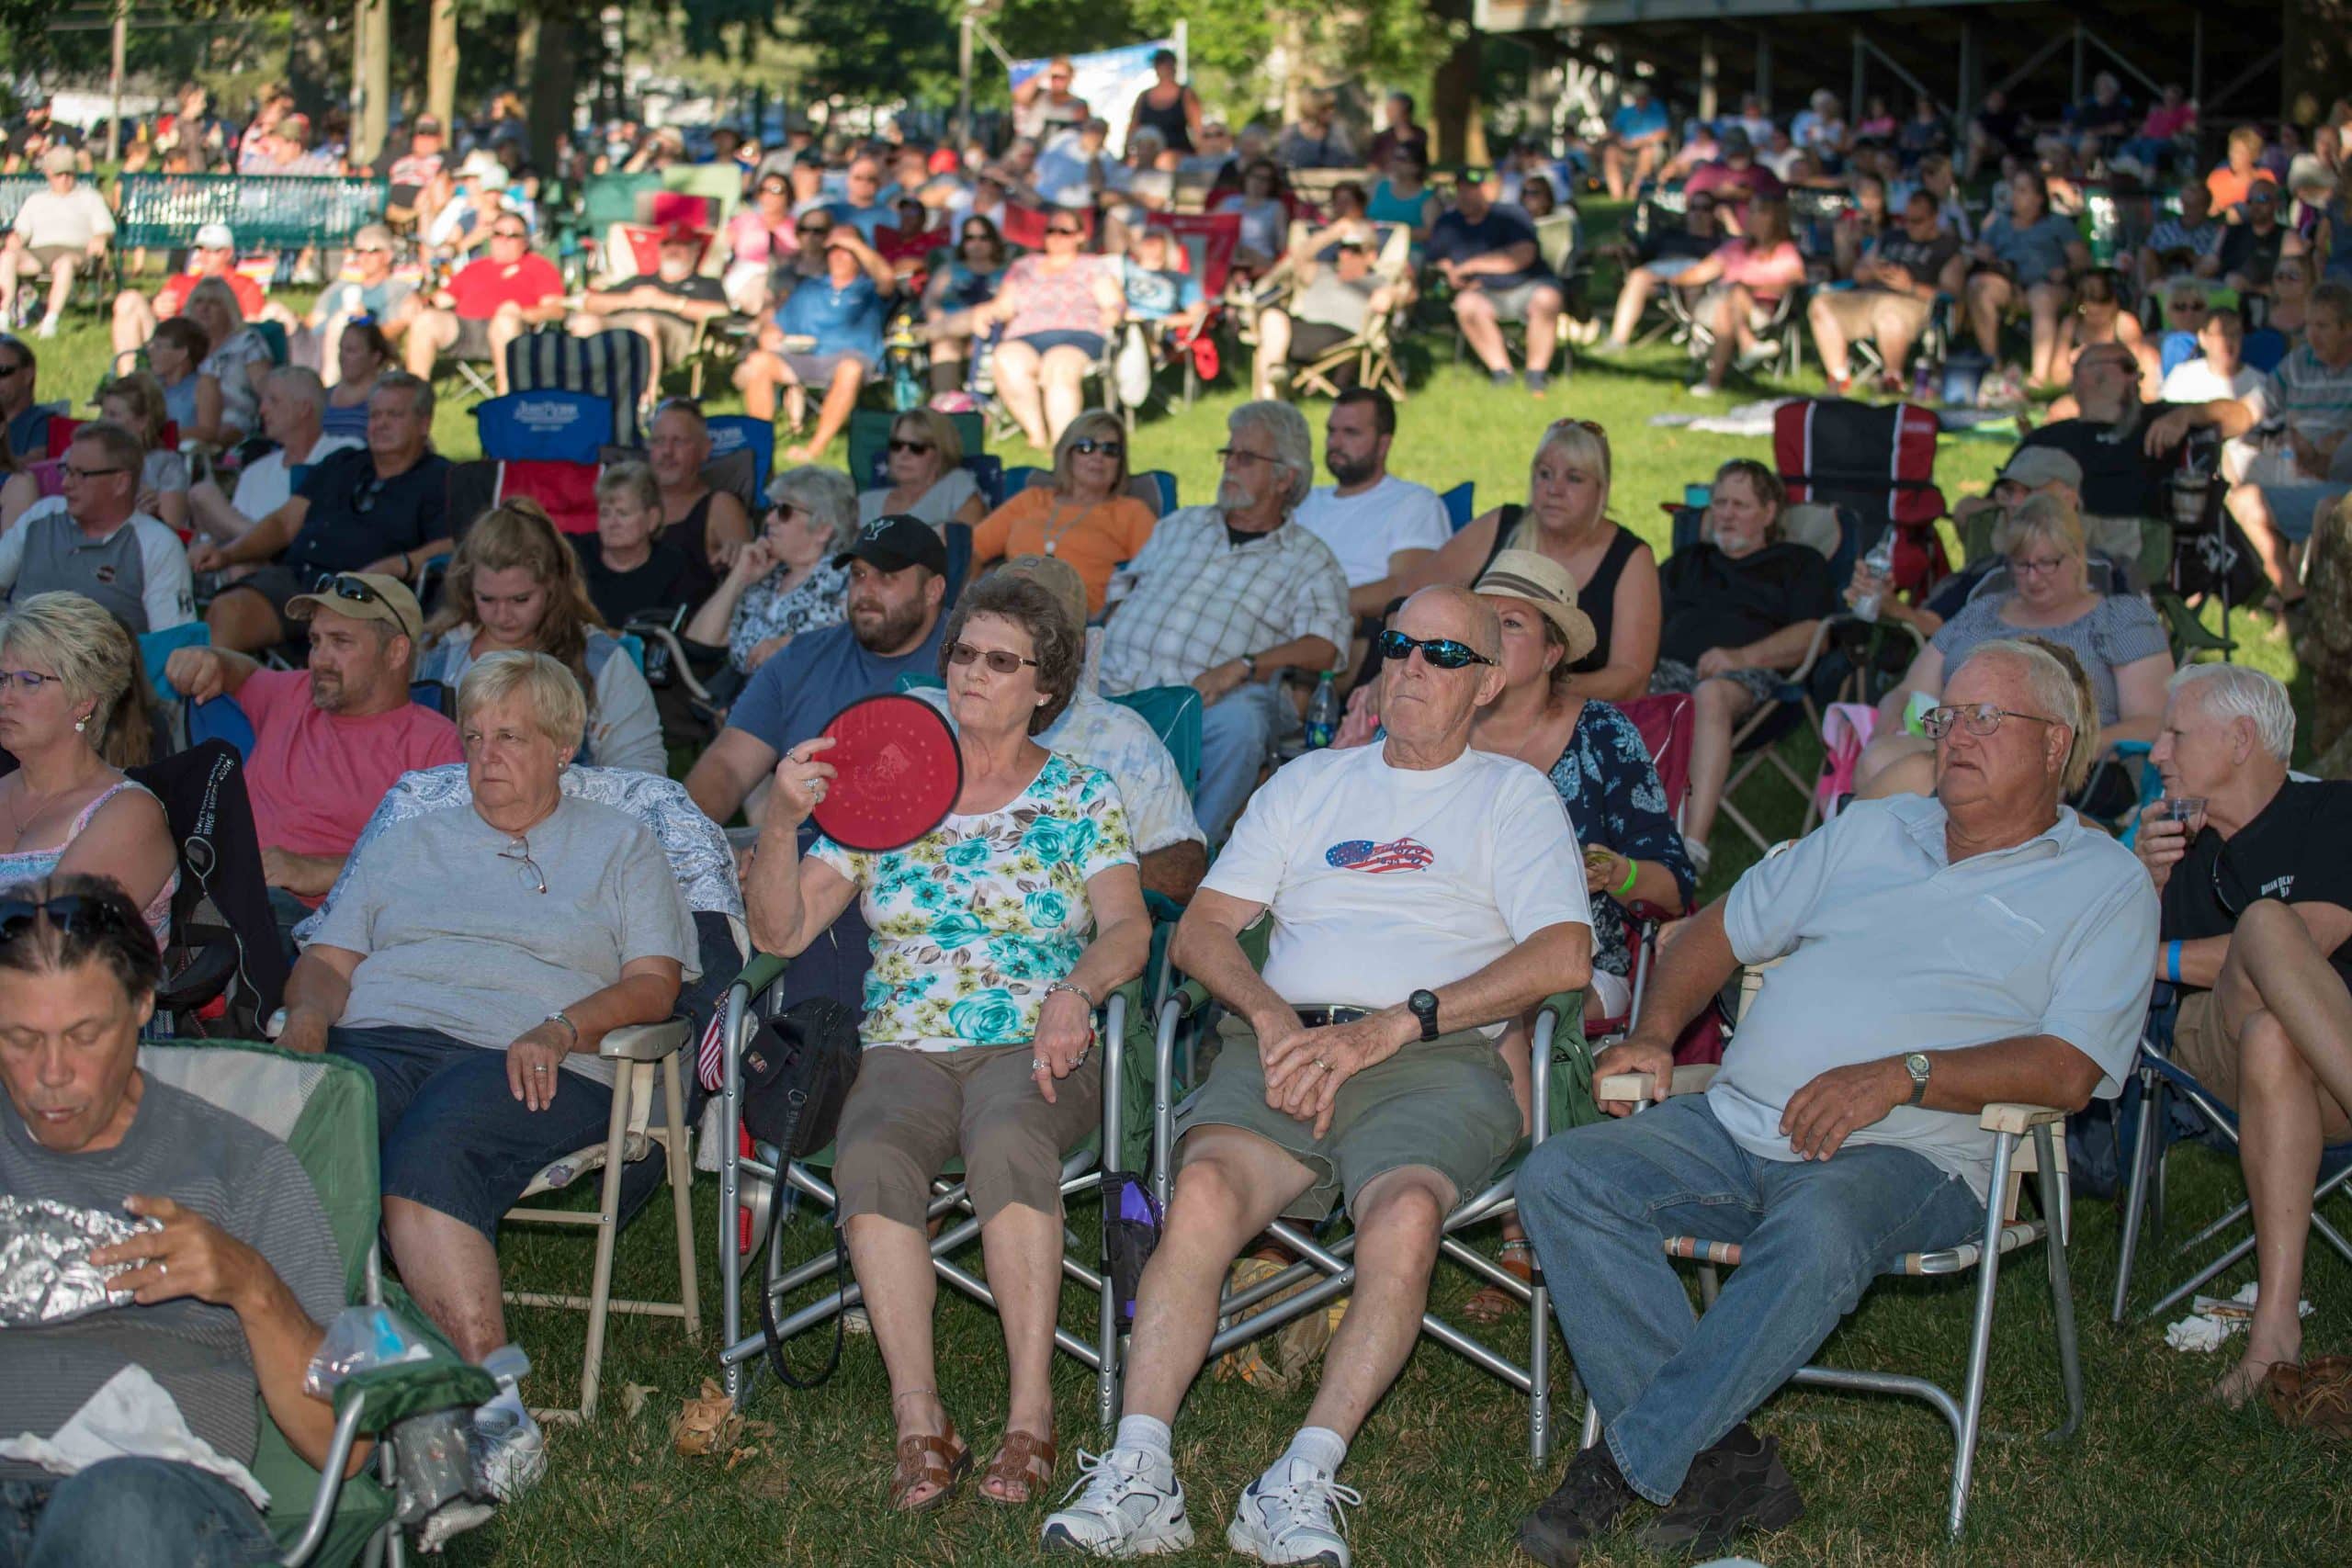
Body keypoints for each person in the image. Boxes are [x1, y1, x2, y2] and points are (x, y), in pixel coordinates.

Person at [1510, 637, 2154, 1567]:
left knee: (1817, 1232)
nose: (1954, 736)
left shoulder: (2101, 886)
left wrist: (1905, 1073)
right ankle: (1721, 1461)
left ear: (2056, 745)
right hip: (1735, 1123)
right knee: (1564, 1175)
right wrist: (1652, 1036)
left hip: (1917, 1154)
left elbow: (2067, 1069)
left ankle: (1622, 1467)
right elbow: (1708, 933)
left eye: (1986, 718)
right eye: (1945, 716)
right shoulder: (1870, 831)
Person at [1040, 584, 1595, 1561]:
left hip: (1431, 1057)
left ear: (1490, 684)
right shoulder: (1306, 785)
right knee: (1203, 1191)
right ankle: (1140, 1470)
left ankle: (1299, 1478)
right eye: (1398, 646)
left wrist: (1396, 1024)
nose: (1413, 667)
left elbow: (1561, 959)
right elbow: (1206, 930)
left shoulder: (1514, 798)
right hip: (1281, 1046)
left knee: (1407, 1216)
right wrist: (1269, 1015)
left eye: (1444, 656)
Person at [747, 572, 1148, 1508]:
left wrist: (1074, 991)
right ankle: (919, 1419)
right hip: (904, 1043)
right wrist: (779, 821)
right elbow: (779, 934)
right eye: (964, 653)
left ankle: (1030, 1415)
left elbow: (1128, 929)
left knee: (1009, 1140)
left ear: (1046, 685)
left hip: (1037, 1042)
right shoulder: (889, 786)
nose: (972, 673)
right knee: (874, 1151)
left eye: (1000, 661)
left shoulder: (1080, 795)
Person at [284, 651, 696, 1495]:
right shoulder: (407, 839)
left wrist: (563, 1024)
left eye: (509, 736)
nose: (483, 756)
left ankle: (494, 1408)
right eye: (472, 736)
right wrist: (304, 1021)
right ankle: (329, 1381)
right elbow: (328, 962)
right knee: (291, 1144)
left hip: (528, 1055)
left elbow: (655, 981)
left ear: (562, 746)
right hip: (381, 1038)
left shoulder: (622, 843)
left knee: (427, 1165)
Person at [0, 874, 356, 1564]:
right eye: (18, 1037)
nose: (51, 1072)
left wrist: (249, 1283)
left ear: (141, 1004)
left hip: (157, 1505)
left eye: (83, 1035)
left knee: (114, 1512)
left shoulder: (240, 1166)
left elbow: (343, 1439)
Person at [2133, 664, 2352, 1405]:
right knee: (2262, 930)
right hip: (2213, 1060)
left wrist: (2170, 960)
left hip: (2317, 1077)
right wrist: (2146, 897)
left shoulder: (2333, 811)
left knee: (2272, 1030)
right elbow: (2117, 977)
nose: (2156, 751)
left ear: (2240, 739)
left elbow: (2321, 933)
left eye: (2175, 733)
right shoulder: (2174, 854)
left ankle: (2273, 1336)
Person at [163, 572, 461, 957]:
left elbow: (441, 862)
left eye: (341, 642)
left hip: (314, 924)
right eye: (316, 641)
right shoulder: (292, 692)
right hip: (213, 880)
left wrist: (316, 870)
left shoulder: (435, 742)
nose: (320, 659)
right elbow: (242, 673)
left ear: (396, 652)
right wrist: (210, 660)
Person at [1097, 401, 1351, 843]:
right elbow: (1121, 592)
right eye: (1228, 454)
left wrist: (1246, 664)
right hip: (1112, 681)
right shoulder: (1181, 524)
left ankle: (1188, 851)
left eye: (1246, 458)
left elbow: (1327, 646)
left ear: (1285, 477)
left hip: (1204, 702)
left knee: (1243, 722)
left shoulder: (1310, 558)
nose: (1230, 466)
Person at [1855, 494, 2172, 800]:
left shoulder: (2118, 619)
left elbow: (2151, 721)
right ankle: (1864, 852)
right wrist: (1890, 712)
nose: (2033, 578)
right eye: (2022, 565)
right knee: (1878, 759)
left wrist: (2068, 749)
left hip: (2066, 765)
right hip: (1957, 746)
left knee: (1946, 781)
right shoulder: (1981, 613)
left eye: (2047, 563)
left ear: (2078, 556)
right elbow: (1912, 689)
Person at [685, 514, 948, 825]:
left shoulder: (974, 659)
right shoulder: (800, 658)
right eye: (858, 575)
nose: (865, 591)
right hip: (804, 855)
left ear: (933, 590)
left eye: (886, 577)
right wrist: (690, 835)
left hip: (928, 856)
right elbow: (728, 765)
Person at [1649, 461, 1838, 873]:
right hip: (1665, 672)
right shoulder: (1689, 560)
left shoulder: (1798, 563)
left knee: (1710, 695)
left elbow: (1814, 635)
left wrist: (1741, 658)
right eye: (1719, 503)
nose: (1726, 514)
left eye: (1740, 504)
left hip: (1751, 682)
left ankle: (1689, 850)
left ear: (1769, 513)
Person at [1401, 419, 1661, 708]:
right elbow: (1413, 591)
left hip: (1573, 712)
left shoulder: (1630, 557)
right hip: (1467, 697)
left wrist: (1537, 686)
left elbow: (1632, 677)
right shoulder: (1502, 524)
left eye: (1574, 478)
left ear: (1601, 489)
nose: (1554, 489)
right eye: (1545, 474)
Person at [189, 373, 453, 655]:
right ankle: (228, 697)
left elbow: (454, 542)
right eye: (375, 415)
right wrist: (227, 554)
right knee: (227, 611)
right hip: (302, 582)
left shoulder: (442, 478)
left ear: (424, 424)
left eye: (394, 415)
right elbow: (283, 523)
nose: (380, 424)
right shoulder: (341, 463)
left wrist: (400, 564)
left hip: (369, 597)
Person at [413, 500, 665, 775]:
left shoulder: (598, 658)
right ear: (467, 587)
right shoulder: (436, 652)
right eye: (486, 599)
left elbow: (641, 772)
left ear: (553, 585)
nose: (502, 615)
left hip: (569, 814)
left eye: (520, 599)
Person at [0, 592, 176, 942]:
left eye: (29, 681)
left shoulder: (127, 814)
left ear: (84, 700)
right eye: (1, 678)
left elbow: (52, 943)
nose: (5, 697)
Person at [0, 423, 194, 637]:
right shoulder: (40, 517)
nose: (65, 483)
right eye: (66, 470)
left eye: (80, 474)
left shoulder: (157, 545)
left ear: (121, 483)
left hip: (101, 667)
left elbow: (173, 644)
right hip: (15, 661)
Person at [970, 411, 1157, 618]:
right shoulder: (1032, 499)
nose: (1098, 456)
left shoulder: (1132, 512)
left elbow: (1156, 575)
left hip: (1074, 622)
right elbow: (973, 549)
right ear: (1067, 453)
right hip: (1006, 606)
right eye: (1086, 447)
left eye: (1110, 450)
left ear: (1120, 463)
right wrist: (966, 594)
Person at [734, 227, 896, 464]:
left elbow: (887, 279)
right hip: (806, 356)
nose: (838, 257)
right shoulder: (811, 288)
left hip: (849, 357)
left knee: (850, 369)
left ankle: (814, 449)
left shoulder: (868, 288)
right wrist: (772, 333)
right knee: (758, 361)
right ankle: (760, 446)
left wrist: (855, 243)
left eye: (847, 252)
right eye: (833, 251)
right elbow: (780, 323)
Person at [1292, 388, 1451, 620]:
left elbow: (1409, 585)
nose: (1335, 443)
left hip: (1352, 629)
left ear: (1383, 444)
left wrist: (1312, 606)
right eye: (1331, 431)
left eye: (1351, 433)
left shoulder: (1414, 502)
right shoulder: (1305, 500)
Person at [684, 464, 854, 678]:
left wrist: (790, 645)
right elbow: (698, 644)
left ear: (822, 528)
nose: (769, 519)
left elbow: (862, 645)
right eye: (772, 508)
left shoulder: (848, 579)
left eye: (784, 511)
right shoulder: (765, 580)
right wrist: (738, 578)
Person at [972, 213, 1123, 450]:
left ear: (1080, 236)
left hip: (1078, 334)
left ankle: (1062, 444)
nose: (1056, 237)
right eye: (1050, 231)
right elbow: (1004, 305)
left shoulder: (1092, 266)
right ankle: (1036, 435)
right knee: (1007, 360)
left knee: (1059, 366)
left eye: (1064, 232)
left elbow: (1114, 302)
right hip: (1025, 334)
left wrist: (1113, 313)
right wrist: (986, 311)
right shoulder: (1024, 266)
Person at [1808, 188, 1964, 392]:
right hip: (1867, 298)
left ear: (1934, 217)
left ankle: (1892, 378)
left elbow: (1952, 293)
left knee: (1888, 310)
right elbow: (1859, 272)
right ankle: (1838, 377)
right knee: (1821, 304)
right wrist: (1874, 271)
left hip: (1912, 302)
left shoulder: (1946, 248)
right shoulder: (1891, 237)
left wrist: (1911, 287)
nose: (1910, 226)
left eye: (1917, 220)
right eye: (1907, 219)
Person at [187, 366, 362, 547]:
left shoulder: (345, 453)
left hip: (313, 562)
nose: (262, 410)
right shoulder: (255, 473)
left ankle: (266, 541)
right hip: (253, 567)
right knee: (202, 492)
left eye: (273, 401)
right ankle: (264, 540)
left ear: (303, 409)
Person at [1429, 169, 1568, 395]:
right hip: (1482, 293)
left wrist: (1471, 266)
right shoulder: (1447, 223)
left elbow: (1522, 256)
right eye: (1461, 190)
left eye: (1472, 189)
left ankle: (1536, 374)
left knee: (1547, 299)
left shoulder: (1511, 215)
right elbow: (1437, 258)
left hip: (1527, 285)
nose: (1466, 195)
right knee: (1466, 305)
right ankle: (1502, 373)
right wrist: (1450, 272)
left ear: (1486, 190)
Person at [402, 214, 565, 396]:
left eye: (512, 236)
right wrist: (420, 302)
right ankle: (414, 396)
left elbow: (556, 310)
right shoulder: (474, 267)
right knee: (425, 320)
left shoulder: (539, 267)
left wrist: (520, 314)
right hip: (465, 330)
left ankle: (506, 397)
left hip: (512, 330)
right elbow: (442, 300)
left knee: (505, 322)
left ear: (525, 241)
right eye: (497, 234)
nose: (503, 240)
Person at [1964, 171, 2093, 389]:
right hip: (2009, 283)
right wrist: (1985, 257)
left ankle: (2039, 377)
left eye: (2022, 191)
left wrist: (2065, 271)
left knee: (2041, 297)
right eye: (2014, 189)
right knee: (1979, 286)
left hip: (2049, 285)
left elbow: (2082, 260)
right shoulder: (1999, 222)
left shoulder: (2057, 223)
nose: (2014, 195)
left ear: (2038, 198)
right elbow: (1981, 251)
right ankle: (1992, 364)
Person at [568, 223, 730, 389]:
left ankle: (644, 397)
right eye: (667, 244)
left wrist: (668, 302)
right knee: (585, 323)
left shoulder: (705, 284)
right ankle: (578, 391)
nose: (673, 250)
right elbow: (590, 303)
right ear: (659, 250)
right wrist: (630, 300)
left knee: (644, 325)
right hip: (624, 322)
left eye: (681, 245)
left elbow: (721, 311)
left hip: (671, 332)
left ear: (695, 250)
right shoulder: (639, 281)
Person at [1675, 197, 1808, 397]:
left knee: (1732, 298)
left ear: (1774, 218)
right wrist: (1663, 276)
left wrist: (1752, 288)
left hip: (1760, 310)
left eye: (1758, 212)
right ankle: (1747, 345)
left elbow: (1794, 282)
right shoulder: (1735, 247)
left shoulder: (1785, 251)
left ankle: (1712, 381)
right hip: (1718, 304)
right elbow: (1700, 273)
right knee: (1730, 299)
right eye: (1750, 211)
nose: (1751, 217)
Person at [644, 400, 755, 610]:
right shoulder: (631, 501)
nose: (667, 451)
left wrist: (735, 554)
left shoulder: (720, 506)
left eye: (679, 442)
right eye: (658, 441)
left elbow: (748, 576)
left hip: (684, 633)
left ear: (705, 450)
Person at [109, 221, 264, 365]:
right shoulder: (180, 281)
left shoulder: (244, 285)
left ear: (228, 253)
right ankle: (129, 382)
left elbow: (251, 327)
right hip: (168, 346)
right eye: (201, 250)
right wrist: (155, 307)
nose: (204, 256)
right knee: (128, 300)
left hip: (217, 352)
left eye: (212, 251)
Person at [0, 147, 112, 337]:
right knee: (8, 256)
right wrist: (15, 238)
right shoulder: (36, 200)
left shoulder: (90, 198)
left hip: (76, 252)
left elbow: (105, 228)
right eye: (60, 174)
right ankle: (3, 315)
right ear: (49, 174)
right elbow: (22, 230)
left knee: (64, 263)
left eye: (70, 173)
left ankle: (50, 321)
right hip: (39, 253)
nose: (65, 179)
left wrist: (101, 238)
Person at [1600, 192, 1723, 351]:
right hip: (1661, 272)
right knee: (1637, 277)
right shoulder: (1670, 234)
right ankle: (1617, 340)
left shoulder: (1718, 240)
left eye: (1705, 208)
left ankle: (1698, 339)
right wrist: (1619, 249)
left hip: (1695, 271)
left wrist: (1728, 219)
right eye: (1693, 208)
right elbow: (1640, 251)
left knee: (1694, 282)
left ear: (1713, 213)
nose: (1698, 213)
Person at [577, 461, 693, 628]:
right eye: (605, 513)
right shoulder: (575, 554)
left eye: (622, 513)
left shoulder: (674, 566)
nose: (612, 523)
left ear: (652, 519)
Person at [302, 223, 413, 384]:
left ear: (388, 255)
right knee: (276, 314)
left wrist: (365, 321)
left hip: (354, 350)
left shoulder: (398, 290)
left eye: (372, 251)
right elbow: (311, 322)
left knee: (341, 321)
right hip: (315, 345)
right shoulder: (339, 287)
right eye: (359, 252)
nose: (364, 257)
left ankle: (328, 388)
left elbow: (394, 330)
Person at [919, 216, 1010, 393]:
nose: (976, 244)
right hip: (950, 327)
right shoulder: (949, 270)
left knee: (974, 326)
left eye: (983, 238)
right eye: (970, 238)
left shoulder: (1007, 273)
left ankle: (927, 333)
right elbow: (930, 301)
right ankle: (945, 404)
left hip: (993, 331)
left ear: (994, 241)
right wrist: (937, 316)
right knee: (944, 347)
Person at [183, 276, 274, 449]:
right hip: (188, 413)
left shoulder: (247, 341)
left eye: (214, 303)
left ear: (228, 309)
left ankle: (200, 463)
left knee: (208, 437)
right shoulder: (182, 345)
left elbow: (265, 387)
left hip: (233, 415)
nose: (204, 308)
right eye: (198, 302)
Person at [859, 407, 986, 529]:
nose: (904, 455)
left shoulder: (956, 487)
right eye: (896, 445)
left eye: (917, 448)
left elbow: (967, 544)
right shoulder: (866, 502)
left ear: (940, 454)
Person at [96, 372, 189, 531]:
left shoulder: (166, 465)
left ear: (142, 422)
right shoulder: (86, 459)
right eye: (103, 414)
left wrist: (152, 516)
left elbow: (174, 529)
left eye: (113, 415)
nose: (103, 422)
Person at [724, 171, 800, 317]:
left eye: (776, 190)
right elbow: (724, 249)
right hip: (744, 273)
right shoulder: (744, 221)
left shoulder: (796, 227)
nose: (769, 195)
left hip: (782, 275)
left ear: (788, 195)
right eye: (763, 190)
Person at [2137, 179, 2225, 292]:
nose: (2190, 210)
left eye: (2196, 206)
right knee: (2144, 252)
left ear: (2207, 206)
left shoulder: (2215, 233)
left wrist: (2191, 257)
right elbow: (2150, 256)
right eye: (2187, 205)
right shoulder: (2164, 229)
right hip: (2163, 279)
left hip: (2199, 283)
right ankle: (2147, 299)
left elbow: (2214, 264)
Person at [322, 318, 392, 443]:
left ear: (375, 357)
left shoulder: (387, 402)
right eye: (341, 349)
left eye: (351, 350)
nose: (342, 356)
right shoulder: (322, 396)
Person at [1603, 82, 1672, 200]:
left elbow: (1665, 133)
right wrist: (1620, 140)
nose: (1641, 99)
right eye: (1638, 96)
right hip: (1626, 149)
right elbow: (1615, 132)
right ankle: (1617, 195)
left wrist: (1642, 141)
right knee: (1610, 153)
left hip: (1648, 149)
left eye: (1644, 96)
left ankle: (1634, 191)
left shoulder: (1657, 110)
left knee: (1646, 151)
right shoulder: (1625, 112)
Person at [1128, 48, 1202, 157]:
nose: (1164, 69)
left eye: (1168, 65)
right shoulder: (1143, 97)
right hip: (1148, 155)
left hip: (1179, 154)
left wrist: (1200, 152)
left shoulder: (1186, 94)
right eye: (1160, 65)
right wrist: (1128, 155)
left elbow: (1197, 127)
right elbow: (1133, 128)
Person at [2220, 183, 2290, 298]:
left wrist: (2248, 287)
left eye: (2262, 199)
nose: (2255, 205)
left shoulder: (2287, 237)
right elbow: (2210, 264)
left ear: (2276, 203)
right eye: (2250, 201)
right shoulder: (2231, 232)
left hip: (2266, 303)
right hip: (2224, 299)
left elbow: (2291, 286)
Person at [1276, 92, 1355, 171]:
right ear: (1312, 109)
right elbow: (1281, 162)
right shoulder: (1291, 132)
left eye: (1332, 107)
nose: (1331, 112)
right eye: (1324, 109)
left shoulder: (1337, 132)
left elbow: (1348, 161)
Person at [1366, 92, 1429, 173]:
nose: (1388, 113)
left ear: (1405, 111)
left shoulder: (1419, 135)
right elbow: (1372, 167)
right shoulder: (1382, 138)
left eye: (1393, 109)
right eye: (1388, 109)